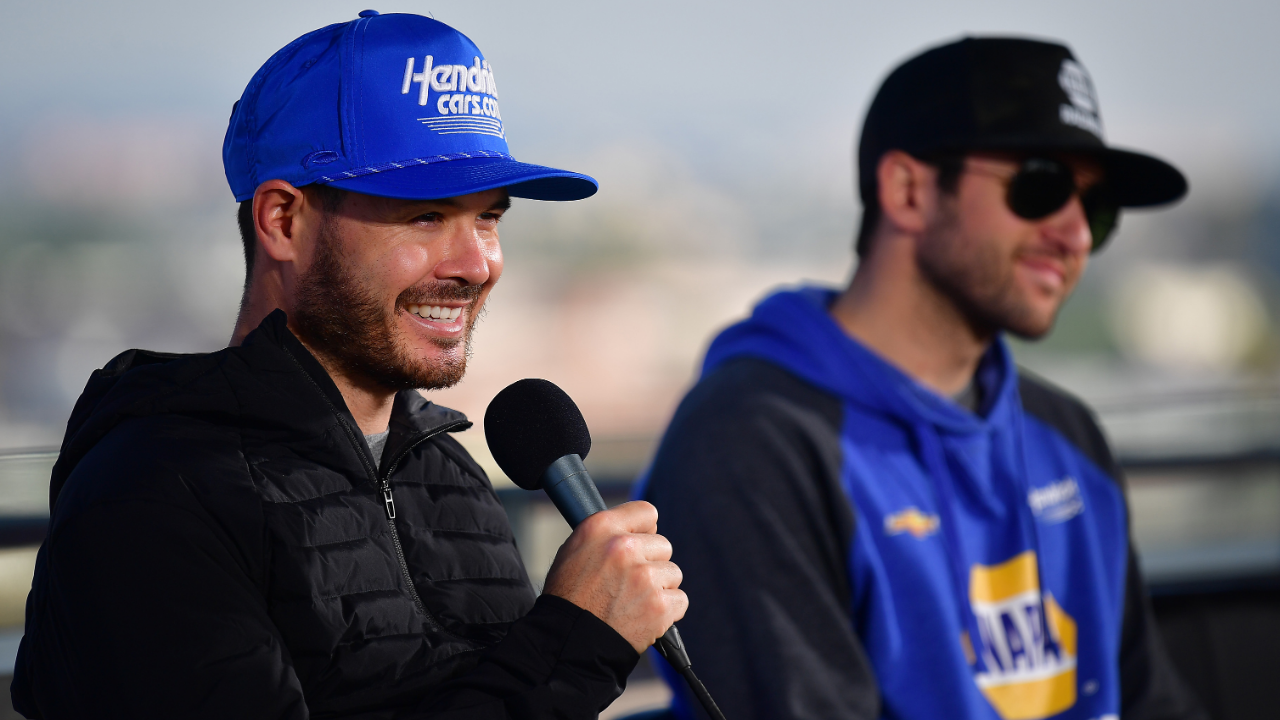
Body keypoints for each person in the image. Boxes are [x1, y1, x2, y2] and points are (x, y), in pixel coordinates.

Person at [12, 11, 685, 719]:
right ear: (283, 221)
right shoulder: (152, 493)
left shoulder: (449, 475)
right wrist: (574, 643)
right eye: (426, 216)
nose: (476, 263)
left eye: (489, 218)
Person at [640, 37, 1205, 720]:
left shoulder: (1067, 435)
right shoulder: (751, 442)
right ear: (908, 190)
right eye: (1041, 185)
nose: (1077, 233)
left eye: (1097, 207)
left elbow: (1149, 701)